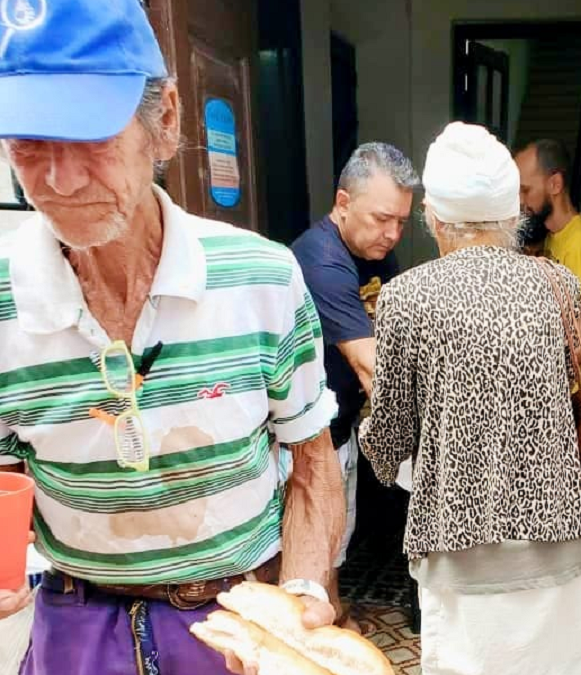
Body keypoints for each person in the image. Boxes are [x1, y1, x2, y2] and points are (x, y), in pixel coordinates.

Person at [0, 2, 347, 673]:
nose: (60, 182)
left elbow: (312, 462)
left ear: (166, 120)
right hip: (76, 627)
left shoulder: (264, 278)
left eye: (91, 138)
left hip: (232, 622)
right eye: (29, 144)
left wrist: (301, 596)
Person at [360, 122, 581, 675]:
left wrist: (374, 446)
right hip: (558, 545)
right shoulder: (556, 284)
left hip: (459, 553)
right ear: (511, 214)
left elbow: (390, 436)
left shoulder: (405, 297)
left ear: (433, 215)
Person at [290, 142, 416, 631]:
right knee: (311, 535)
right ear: (343, 202)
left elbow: (397, 332)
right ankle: (310, 633)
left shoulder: (375, 253)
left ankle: (335, 609)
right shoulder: (321, 259)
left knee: (336, 530)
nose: (392, 233)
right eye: (383, 218)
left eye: (402, 221)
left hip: (339, 422)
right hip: (302, 434)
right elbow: (370, 363)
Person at [516, 140, 581, 378]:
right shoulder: (551, 237)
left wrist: (535, 377)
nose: (520, 201)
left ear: (555, 184)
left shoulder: (580, 243)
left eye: (526, 191)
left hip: (574, 396)